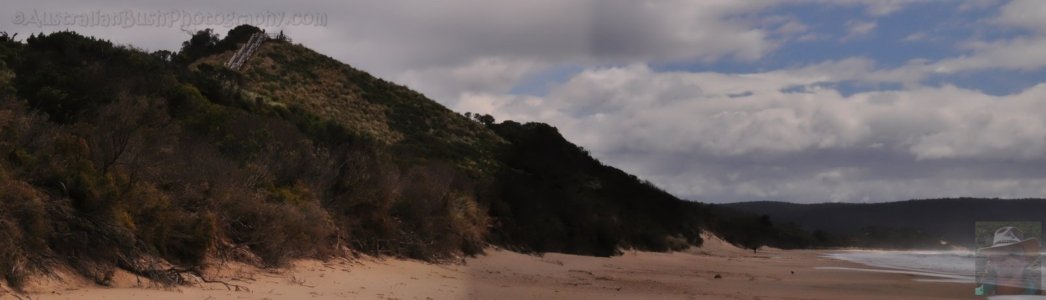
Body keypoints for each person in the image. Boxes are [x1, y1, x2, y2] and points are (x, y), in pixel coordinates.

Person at [975, 226, 1042, 296]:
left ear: (1026, 260)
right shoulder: (976, 294)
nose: (1008, 259)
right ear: (991, 260)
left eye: (1016, 252)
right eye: (1000, 253)